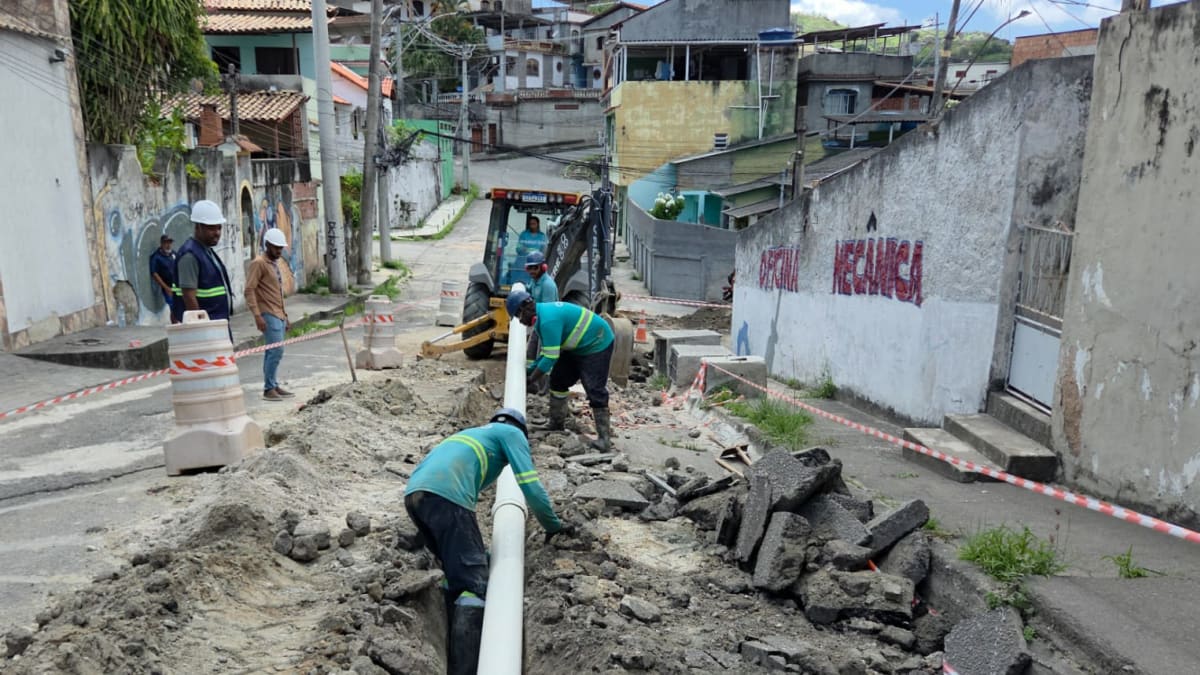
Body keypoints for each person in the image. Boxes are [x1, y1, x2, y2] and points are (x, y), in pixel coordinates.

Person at [404, 408, 563, 671]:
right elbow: (531, 486)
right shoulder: (512, 433)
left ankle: (452, 632)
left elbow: (434, 481)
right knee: (475, 584)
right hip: (448, 496)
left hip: (415, 496)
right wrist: (553, 525)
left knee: (456, 571)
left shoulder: (472, 434)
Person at [507, 291, 615, 450]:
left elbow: (551, 358)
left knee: (594, 388)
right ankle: (556, 424)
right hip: (576, 347)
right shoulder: (541, 317)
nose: (521, 321)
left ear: (526, 307)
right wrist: (530, 370)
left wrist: (530, 380)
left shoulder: (548, 320)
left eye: (519, 315)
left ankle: (604, 439)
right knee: (558, 380)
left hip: (597, 343)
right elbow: (546, 352)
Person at [245, 228, 294, 401]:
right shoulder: (258, 263)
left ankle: (272, 384)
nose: (279, 251)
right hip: (268, 313)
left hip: (278, 313)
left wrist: (285, 316)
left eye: (281, 248)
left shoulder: (274, 264)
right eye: (275, 247)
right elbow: (249, 290)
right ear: (267, 245)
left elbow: (277, 293)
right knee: (276, 350)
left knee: (272, 351)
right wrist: (257, 315)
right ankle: (268, 388)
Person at [176, 200, 234, 339]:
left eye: (219, 228)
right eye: (211, 228)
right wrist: (201, 331)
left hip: (217, 325)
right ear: (198, 227)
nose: (217, 233)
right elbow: (188, 296)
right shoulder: (190, 255)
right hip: (207, 331)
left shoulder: (206, 251)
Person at [149, 234, 180, 323]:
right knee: (173, 307)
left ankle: (178, 325)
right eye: (166, 242)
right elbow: (154, 274)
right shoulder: (156, 257)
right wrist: (166, 288)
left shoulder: (173, 254)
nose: (169, 245)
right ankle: (175, 326)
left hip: (177, 285)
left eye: (170, 242)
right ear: (161, 243)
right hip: (168, 286)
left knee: (179, 306)